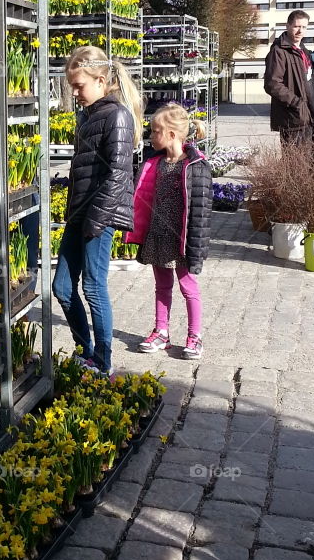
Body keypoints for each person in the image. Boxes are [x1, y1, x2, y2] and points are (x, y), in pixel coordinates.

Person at [52, 45, 142, 375]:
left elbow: (119, 173)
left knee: (92, 287)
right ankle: (85, 349)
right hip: (80, 215)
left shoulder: (116, 116)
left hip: (98, 218)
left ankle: (102, 362)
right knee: (61, 287)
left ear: (101, 80)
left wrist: (96, 220)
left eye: (79, 86)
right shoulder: (89, 116)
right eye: (72, 86)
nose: (75, 93)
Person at [125, 102, 211, 360]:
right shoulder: (155, 163)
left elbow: (202, 210)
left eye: (155, 131)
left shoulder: (196, 166)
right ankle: (161, 331)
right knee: (162, 286)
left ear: (172, 134)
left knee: (188, 287)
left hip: (183, 239)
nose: (151, 136)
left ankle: (195, 336)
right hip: (159, 235)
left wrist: (198, 244)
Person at [263, 9, 314, 147]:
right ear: (287, 26)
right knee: (294, 164)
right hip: (293, 118)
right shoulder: (279, 51)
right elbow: (272, 84)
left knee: (310, 163)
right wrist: (297, 103)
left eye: (304, 27)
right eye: (296, 26)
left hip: (309, 117)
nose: (300, 31)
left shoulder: (303, 51)